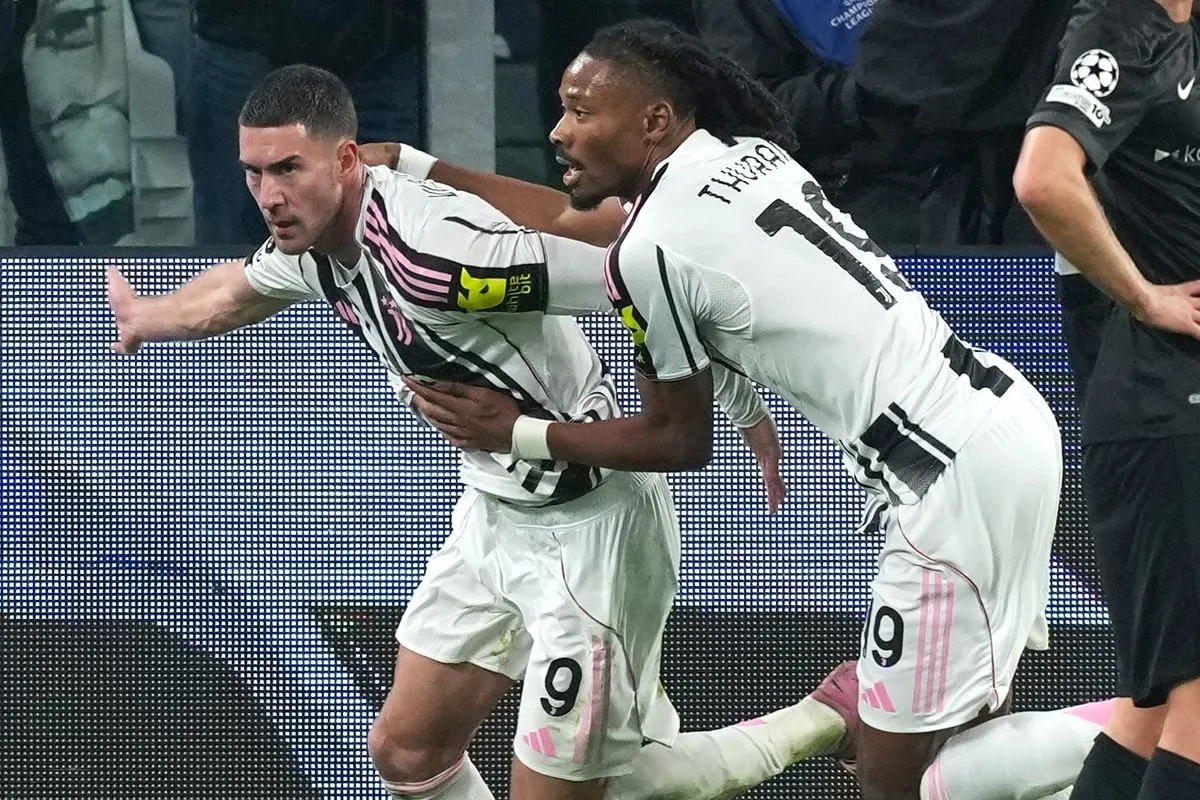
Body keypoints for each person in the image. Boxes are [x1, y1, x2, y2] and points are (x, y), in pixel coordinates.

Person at [103, 63, 868, 800]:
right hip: (493, 517)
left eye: (288, 169)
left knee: (622, 786)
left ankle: (828, 714)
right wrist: (146, 317)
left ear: (345, 160)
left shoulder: (446, 259)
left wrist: (742, 403)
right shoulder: (312, 244)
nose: (269, 195)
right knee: (407, 752)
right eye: (254, 173)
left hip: (593, 529)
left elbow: (644, 269)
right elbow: (235, 292)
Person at [383, 19, 1063, 800]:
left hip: (946, 473)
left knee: (897, 780)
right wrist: (422, 166)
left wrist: (516, 432)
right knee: (963, 741)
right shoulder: (743, 154)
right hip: (1001, 419)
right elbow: (612, 238)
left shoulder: (650, 251)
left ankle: (1147, 731)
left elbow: (676, 439)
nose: (558, 130)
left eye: (582, 112)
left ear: (654, 121)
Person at [1014, 1, 1200, 798]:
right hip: (1163, 408)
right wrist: (1145, 296)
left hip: (1166, 404)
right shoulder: (1118, 31)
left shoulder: (1181, 34)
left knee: (1150, 710)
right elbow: (1042, 178)